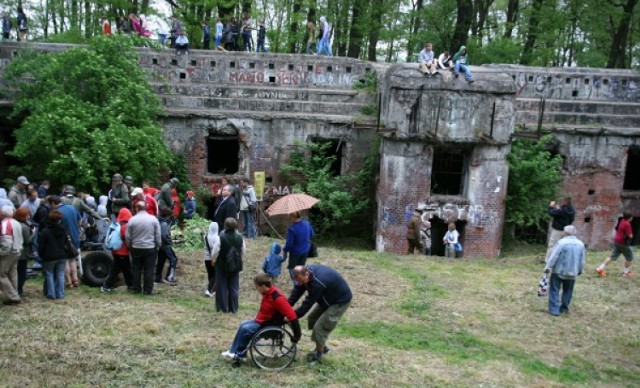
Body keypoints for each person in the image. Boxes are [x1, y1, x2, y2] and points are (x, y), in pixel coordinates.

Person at [221, 273, 301, 361]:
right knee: (243, 324)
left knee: (245, 328)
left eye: (256, 286)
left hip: (267, 324)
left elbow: (292, 315)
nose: (255, 288)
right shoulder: (268, 292)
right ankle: (234, 351)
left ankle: (238, 353)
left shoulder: (277, 298)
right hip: (261, 321)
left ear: (263, 286)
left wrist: (297, 334)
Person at [288, 264, 352, 363]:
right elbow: (297, 292)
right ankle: (323, 346)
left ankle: (318, 355)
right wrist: (285, 307)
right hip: (327, 297)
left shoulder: (317, 283)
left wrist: (292, 316)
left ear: (306, 274)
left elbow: (307, 304)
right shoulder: (303, 276)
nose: (299, 283)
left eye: (301, 281)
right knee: (312, 319)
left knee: (319, 328)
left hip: (339, 302)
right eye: (297, 281)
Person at [544, 225, 585, 316]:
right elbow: (582, 260)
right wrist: (580, 270)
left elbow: (554, 256)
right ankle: (564, 308)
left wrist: (548, 267)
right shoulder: (581, 244)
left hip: (559, 271)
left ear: (565, 233)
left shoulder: (561, 243)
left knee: (554, 289)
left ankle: (554, 310)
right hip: (572, 272)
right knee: (568, 290)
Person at [125, 201, 161, 295]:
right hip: (150, 247)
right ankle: (147, 290)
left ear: (136, 208)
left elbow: (128, 236)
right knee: (149, 269)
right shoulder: (153, 219)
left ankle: (136, 288)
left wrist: (130, 246)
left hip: (136, 247)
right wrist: (158, 245)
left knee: (136, 269)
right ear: (146, 208)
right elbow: (157, 234)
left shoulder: (132, 220)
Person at [215, 217, 245, 313]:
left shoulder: (220, 237)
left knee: (221, 287)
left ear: (225, 226)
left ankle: (222, 308)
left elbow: (215, 252)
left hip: (222, 265)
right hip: (236, 265)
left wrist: (213, 260)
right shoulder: (240, 237)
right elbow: (243, 250)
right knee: (234, 287)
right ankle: (234, 308)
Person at [38, 210, 68, 300]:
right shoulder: (63, 230)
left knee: (49, 274)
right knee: (60, 274)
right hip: (62, 255)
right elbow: (66, 242)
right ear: (59, 220)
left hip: (49, 256)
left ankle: (51, 293)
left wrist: (41, 255)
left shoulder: (45, 231)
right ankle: (60, 293)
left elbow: (41, 245)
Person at [101, 208, 133, 292]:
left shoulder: (116, 224)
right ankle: (106, 286)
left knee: (121, 269)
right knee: (121, 270)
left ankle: (130, 285)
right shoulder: (125, 226)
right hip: (122, 252)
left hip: (115, 251)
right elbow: (127, 239)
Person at [597, 213, 634, 277]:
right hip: (623, 243)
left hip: (617, 241)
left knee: (612, 256)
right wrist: (631, 236)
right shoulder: (627, 224)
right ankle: (625, 273)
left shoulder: (622, 220)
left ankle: (600, 268)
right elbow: (630, 236)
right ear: (630, 217)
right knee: (629, 257)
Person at [0, 206, 24, 305]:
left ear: (2, 214)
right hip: (17, 251)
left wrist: (1, 253)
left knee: (1, 275)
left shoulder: (5, 224)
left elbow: (7, 242)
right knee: (12, 274)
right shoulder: (16, 223)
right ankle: (13, 295)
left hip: (9, 253)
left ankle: (13, 297)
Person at [56, 196, 81, 288]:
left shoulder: (57, 211)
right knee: (72, 259)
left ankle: (68, 282)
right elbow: (80, 220)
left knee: (65, 260)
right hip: (75, 237)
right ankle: (75, 280)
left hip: (64, 239)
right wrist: (76, 229)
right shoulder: (72, 208)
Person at [283, 211, 314, 283]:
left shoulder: (292, 229)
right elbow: (312, 234)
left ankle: (297, 284)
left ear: (292, 217)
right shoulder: (307, 223)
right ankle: (303, 281)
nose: (288, 218)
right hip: (306, 249)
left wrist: (285, 250)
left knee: (292, 268)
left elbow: (289, 245)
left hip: (295, 252)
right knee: (301, 267)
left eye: (289, 216)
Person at [544, 197, 575, 263]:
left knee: (552, 245)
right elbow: (571, 219)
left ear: (565, 202)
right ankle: (559, 260)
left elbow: (551, 213)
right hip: (566, 231)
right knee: (562, 246)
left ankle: (548, 261)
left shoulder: (561, 210)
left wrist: (551, 206)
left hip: (557, 230)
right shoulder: (572, 210)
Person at [155, 208, 178, 284]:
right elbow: (164, 235)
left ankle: (157, 278)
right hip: (165, 246)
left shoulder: (159, 222)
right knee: (173, 259)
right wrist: (170, 241)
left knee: (161, 261)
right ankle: (169, 277)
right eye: (170, 215)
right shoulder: (164, 224)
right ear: (167, 216)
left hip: (161, 246)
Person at [13, 207, 32, 296]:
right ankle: (19, 289)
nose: (28, 217)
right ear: (23, 216)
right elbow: (27, 241)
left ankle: (14, 289)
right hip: (23, 253)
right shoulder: (24, 227)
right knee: (21, 272)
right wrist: (34, 234)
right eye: (27, 215)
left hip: (13, 251)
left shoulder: (13, 223)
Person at [203, 221, 220, 297]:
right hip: (214, 259)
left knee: (210, 274)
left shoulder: (205, 237)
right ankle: (210, 290)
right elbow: (216, 250)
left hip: (206, 258)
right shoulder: (217, 238)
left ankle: (212, 288)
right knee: (215, 275)